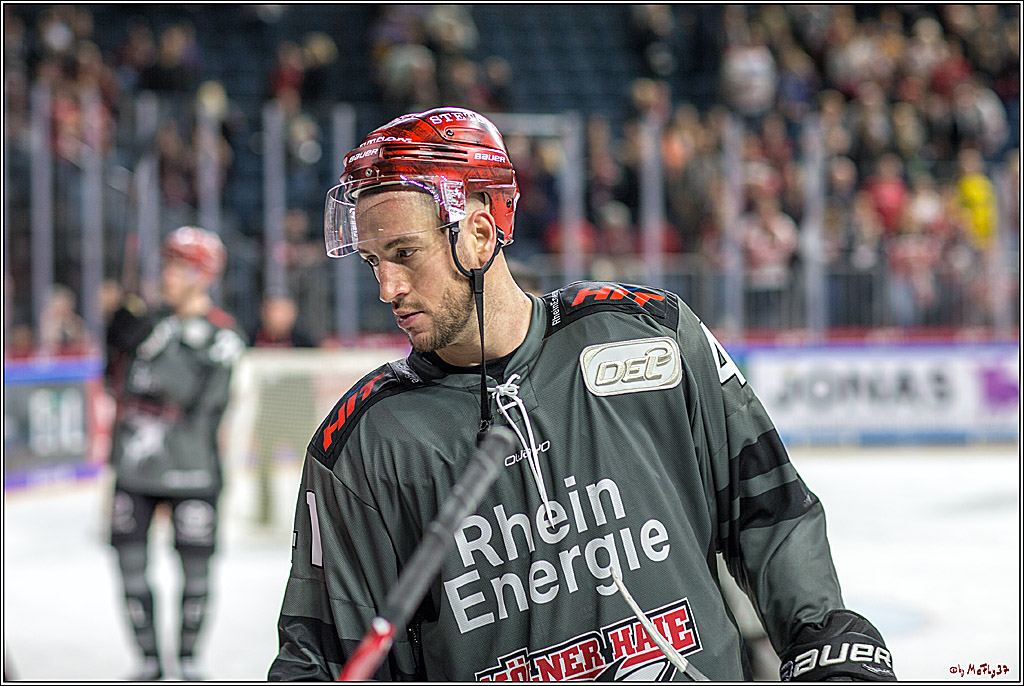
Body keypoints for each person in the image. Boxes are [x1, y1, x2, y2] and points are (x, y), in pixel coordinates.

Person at [268, 107, 896, 682]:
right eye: (374, 262)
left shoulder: (651, 335)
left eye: (405, 253)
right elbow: (320, 656)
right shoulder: (360, 444)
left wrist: (818, 638)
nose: (388, 288)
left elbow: (769, 510)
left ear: (481, 234)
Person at [107, 226, 246, 681]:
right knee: (129, 570)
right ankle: (148, 660)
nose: (168, 275)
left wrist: (150, 342)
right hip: (133, 469)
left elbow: (190, 397)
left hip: (193, 470)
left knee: (196, 576)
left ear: (204, 274)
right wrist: (113, 346)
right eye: (166, 264)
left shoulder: (222, 336)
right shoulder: (147, 322)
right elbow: (119, 392)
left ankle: (187, 662)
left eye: (180, 266)